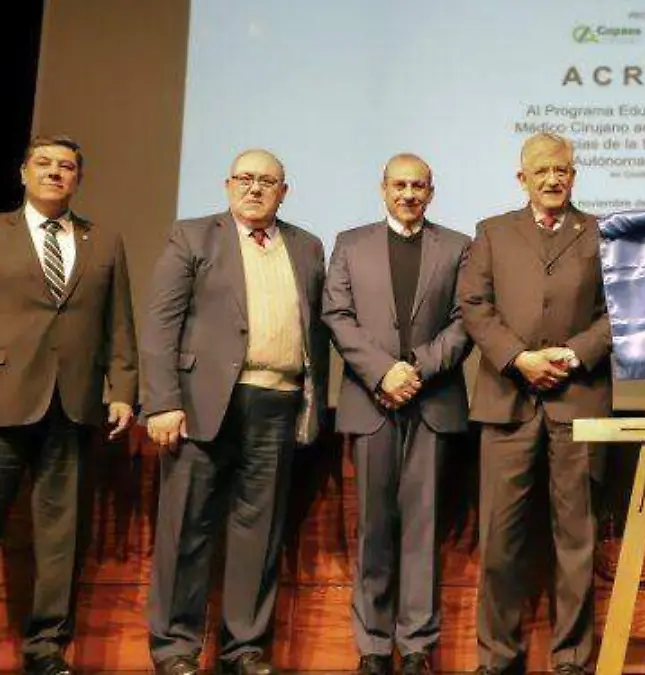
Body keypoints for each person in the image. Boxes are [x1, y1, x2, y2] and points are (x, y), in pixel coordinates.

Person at [141, 149, 329, 675]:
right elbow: (160, 325)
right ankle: (175, 649)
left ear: (284, 192)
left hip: (278, 403)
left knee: (259, 533)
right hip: (201, 405)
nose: (255, 188)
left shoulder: (307, 246)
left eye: (267, 181)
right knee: (187, 529)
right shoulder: (192, 236)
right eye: (245, 178)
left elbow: (318, 331)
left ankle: (244, 649)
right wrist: (162, 401)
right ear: (227, 185)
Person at [458, 132, 611, 675]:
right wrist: (518, 358)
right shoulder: (492, 232)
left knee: (576, 540)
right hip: (508, 401)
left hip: (578, 400)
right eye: (542, 171)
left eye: (562, 170)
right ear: (521, 178)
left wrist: (574, 353)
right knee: (500, 540)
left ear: (574, 176)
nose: (553, 179)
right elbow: (474, 305)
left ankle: (571, 659)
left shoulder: (601, 233)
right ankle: (498, 657)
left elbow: (618, 311)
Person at [323, 154, 471, 675]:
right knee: (374, 529)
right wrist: (384, 372)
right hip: (372, 403)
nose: (409, 194)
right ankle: (372, 646)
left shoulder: (458, 247)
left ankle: (416, 647)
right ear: (383, 188)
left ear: (431, 191)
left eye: (418, 186)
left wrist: (416, 369)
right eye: (400, 185)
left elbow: (465, 320)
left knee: (423, 529)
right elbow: (336, 315)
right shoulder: (349, 244)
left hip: (432, 403)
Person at [0, 135, 137, 675]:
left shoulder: (103, 241)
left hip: (73, 403)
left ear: (78, 178)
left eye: (66, 166)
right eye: (44, 163)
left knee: (61, 536)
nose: (55, 173)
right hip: (4, 397)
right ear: (23, 172)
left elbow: (120, 323)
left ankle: (46, 646)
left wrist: (122, 390)